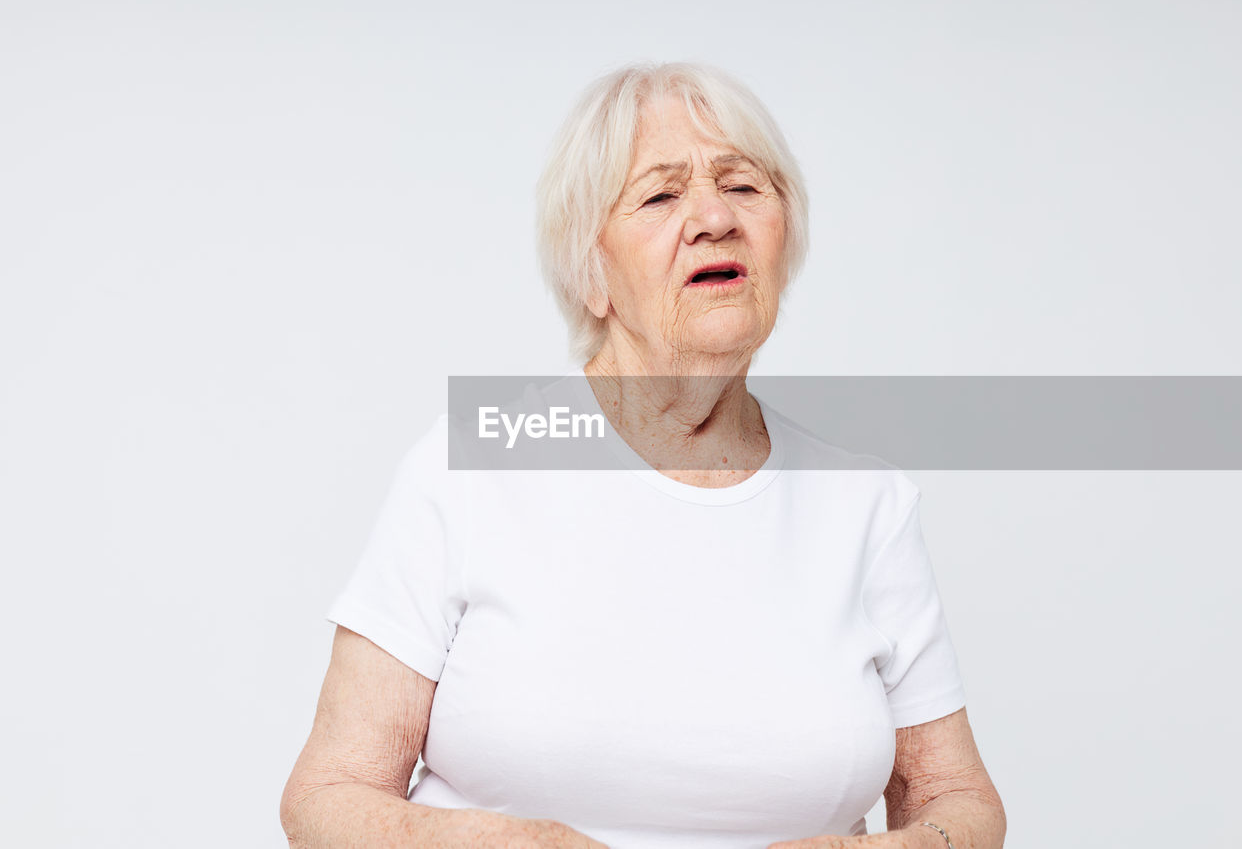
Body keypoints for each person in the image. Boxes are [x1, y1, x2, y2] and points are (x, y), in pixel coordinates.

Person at [281, 62, 1007, 848]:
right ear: (592, 272)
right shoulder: (471, 466)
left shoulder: (868, 506)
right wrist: (522, 846)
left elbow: (956, 796)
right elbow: (325, 797)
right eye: (661, 195)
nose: (713, 217)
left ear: (784, 235)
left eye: (745, 186)